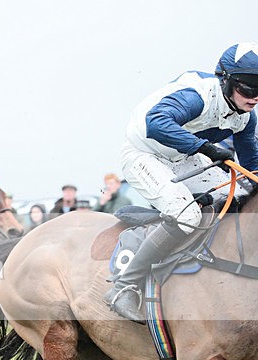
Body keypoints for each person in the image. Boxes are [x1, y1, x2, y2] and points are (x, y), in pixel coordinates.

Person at [105, 43, 258, 322]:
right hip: (145, 153)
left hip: (186, 157)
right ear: (225, 80)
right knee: (187, 214)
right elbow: (156, 122)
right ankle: (125, 285)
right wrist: (207, 148)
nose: (255, 97)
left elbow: (252, 170)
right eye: (249, 88)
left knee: (237, 198)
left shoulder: (246, 118)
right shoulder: (198, 96)